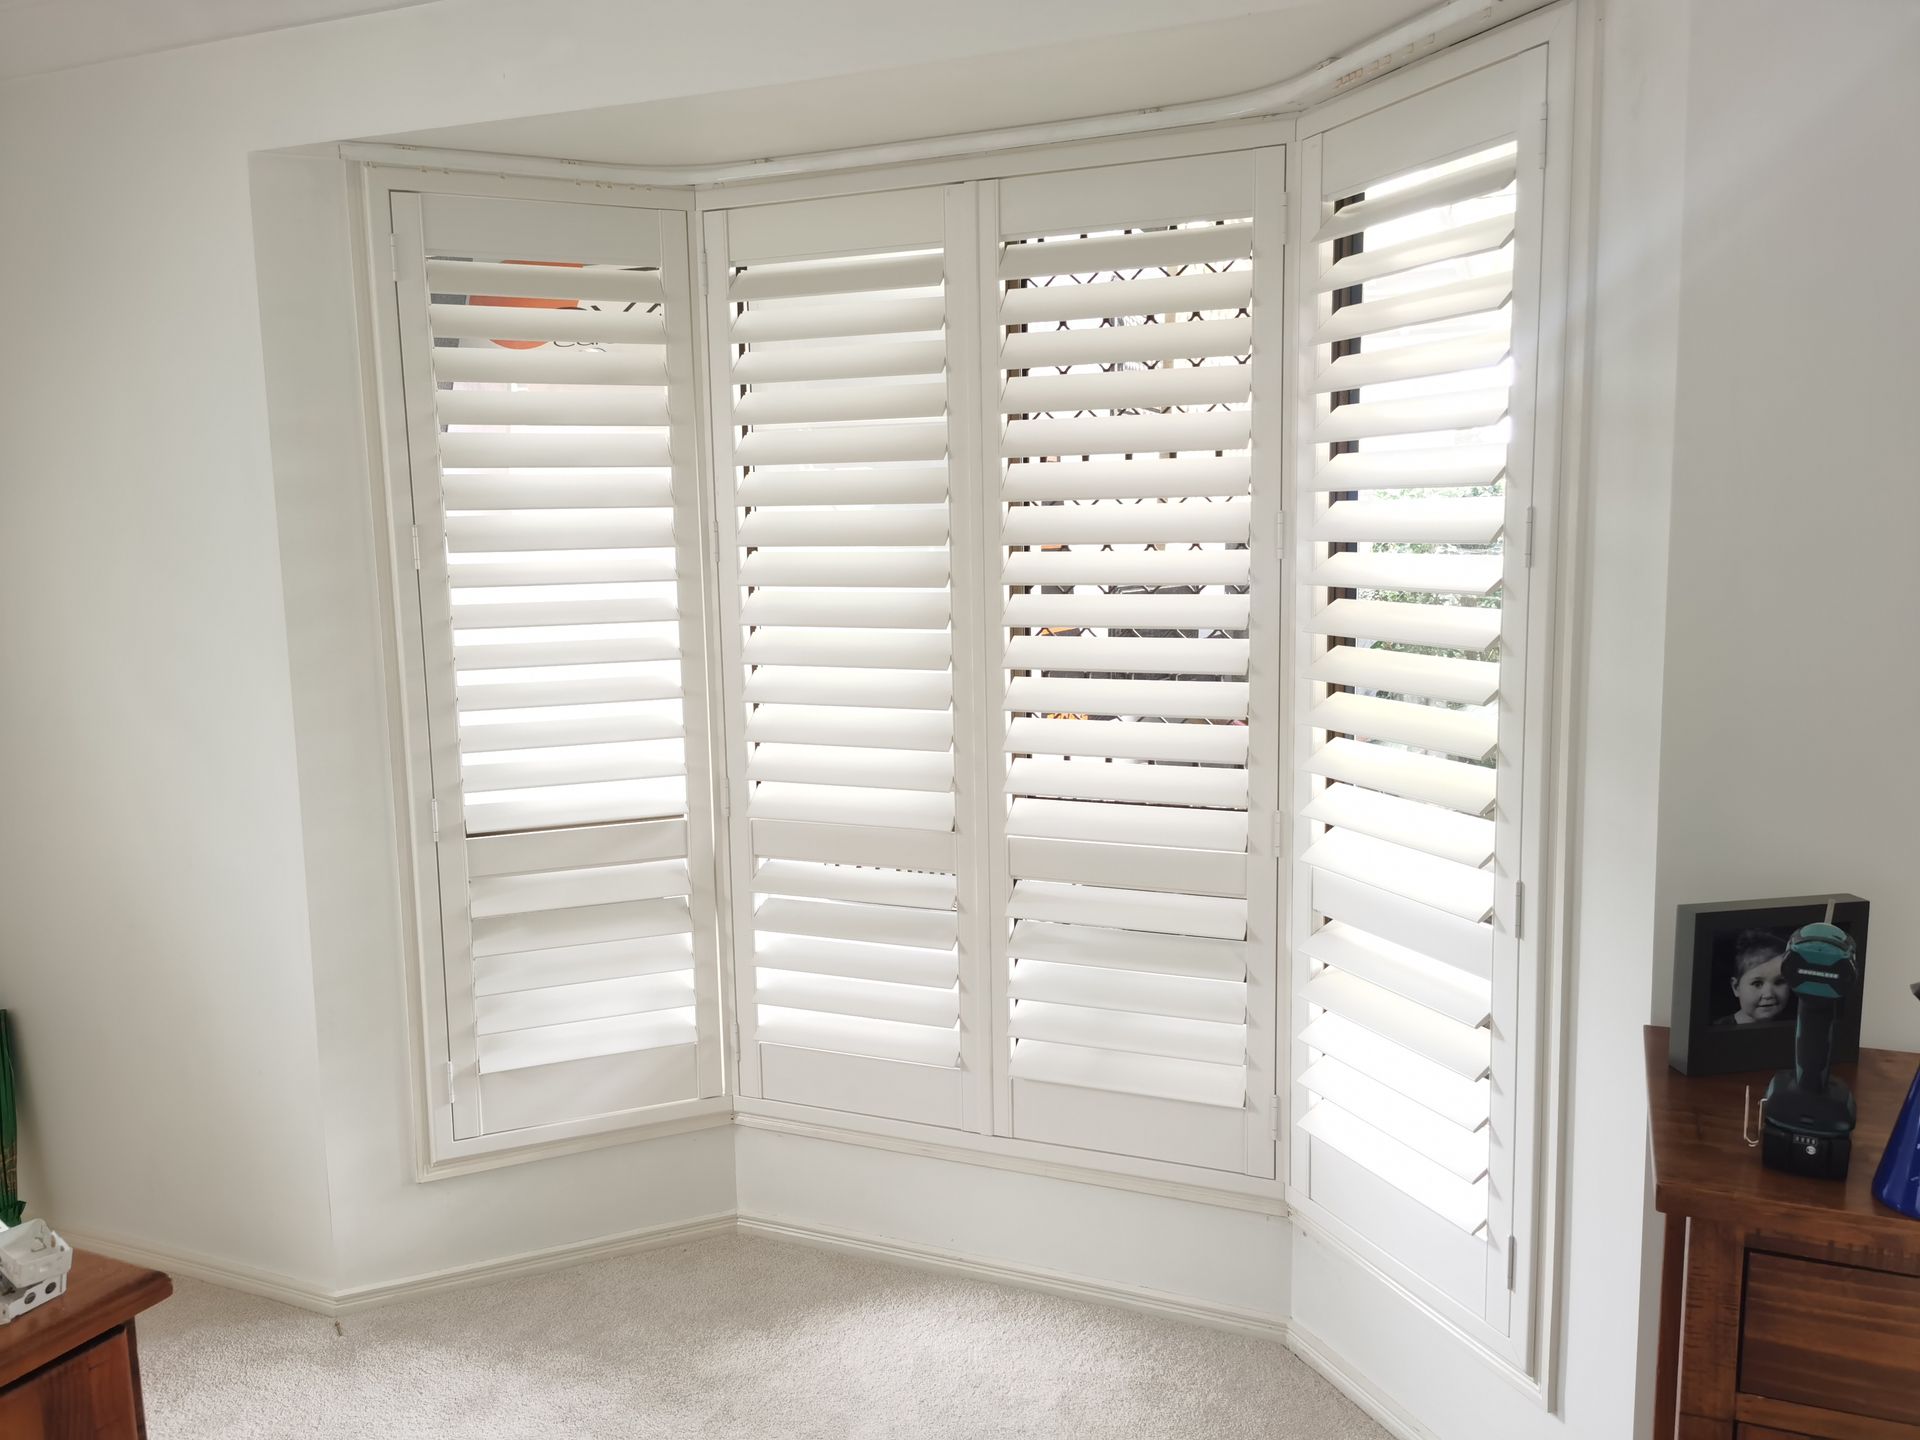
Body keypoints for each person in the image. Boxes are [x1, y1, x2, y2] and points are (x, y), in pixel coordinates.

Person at [1717, 930, 1791, 1026]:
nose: (1768, 994)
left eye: (1779, 981)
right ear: (1736, 987)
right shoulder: (1720, 1029)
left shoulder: (1793, 1025)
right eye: (1757, 984)